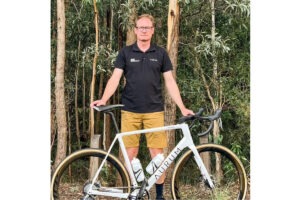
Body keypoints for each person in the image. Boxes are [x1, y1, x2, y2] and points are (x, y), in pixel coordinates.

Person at [90, 14, 194, 200]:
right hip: (130, 111)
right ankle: (135, 193)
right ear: (136, 30)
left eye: (148, 27)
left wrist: (183, 108)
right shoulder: (126, 52)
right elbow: (115, 78)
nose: (144, 30)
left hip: (154, 111)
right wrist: (104, 99)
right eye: (141, 27)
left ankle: (159, 196)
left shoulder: (161, 53)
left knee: (158, 157)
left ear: (152, 30)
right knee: (130, 155)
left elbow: (170, 82)